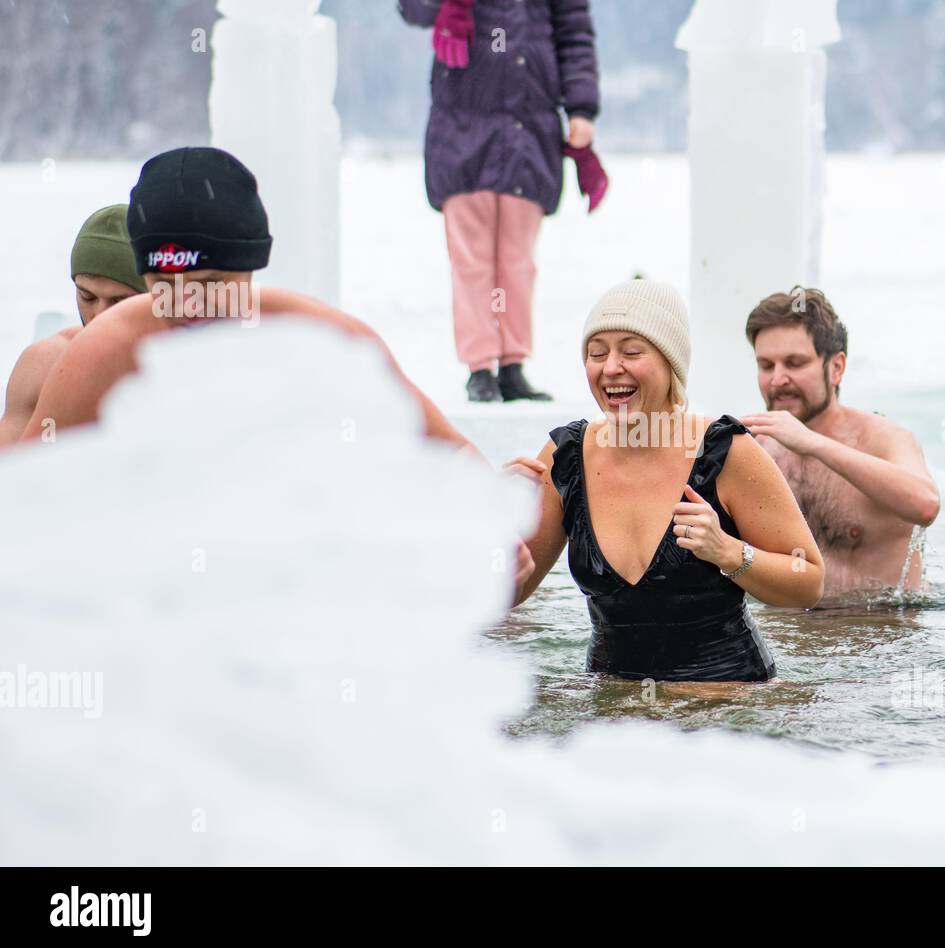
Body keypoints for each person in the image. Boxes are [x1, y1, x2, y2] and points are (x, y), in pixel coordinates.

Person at [14, 147, 470, 449]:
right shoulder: (102, 352)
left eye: (209, 285)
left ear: (251, 270)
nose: (186, 304)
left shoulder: (322, 340)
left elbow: (453, 459)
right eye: (162, 286)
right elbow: (21, 509)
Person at [508, 279, 823, 682]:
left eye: (632, 352)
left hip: (725, 704)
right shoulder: (565, 457)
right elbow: (502, 595)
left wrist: (729, 552)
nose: (610, 368)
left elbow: (809, 581)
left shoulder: (725, 452)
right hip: (611, 710)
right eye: (596, 353)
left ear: (671, 363)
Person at [398, 0, 608, 403]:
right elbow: (414, 10)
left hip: (527, 129)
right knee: (471, 260)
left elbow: (575, 33)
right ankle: (480, 367)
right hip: (461, 127)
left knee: (517, 261)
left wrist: (582, 108)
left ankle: (512, 365)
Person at [739, 287, 939, 599]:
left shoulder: (882, 438)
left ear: (836, 368)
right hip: (788, 636)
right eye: (766, 366)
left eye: (794, 363)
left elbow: (926, 504)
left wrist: (814, 443)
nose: (777, 379)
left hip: (881, 635)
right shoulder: (755, 449)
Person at [0, 205, 145, 445]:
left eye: (120, 301)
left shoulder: (180, 365)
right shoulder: (44, 364)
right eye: (87, 297)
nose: (99, 315)